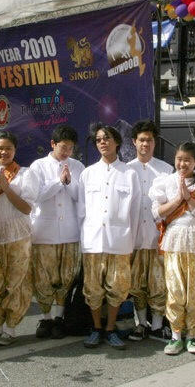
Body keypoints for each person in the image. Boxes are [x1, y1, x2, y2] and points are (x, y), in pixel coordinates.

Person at [150, 142, 195, 355]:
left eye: (187, 160)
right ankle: (175, 335)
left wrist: (189, 199)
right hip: (174, 238)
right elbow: (158, 213)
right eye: (179, 159)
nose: (182, 163)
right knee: (175, 286)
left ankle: (192, 335)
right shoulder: (165, 182)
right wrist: (178, 198)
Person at [77, 124, 141, 350]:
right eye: (99, 139)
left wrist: (130, 243)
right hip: (92, 241)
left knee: (118, 288)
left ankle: (111, 328)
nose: (103, 142)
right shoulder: (88, 173)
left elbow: (134, 211)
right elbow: (81, 211)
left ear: (117, 142)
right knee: (93, 289)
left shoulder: (129, 173)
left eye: (107, 138)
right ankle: (96, 328)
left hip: (119, 241)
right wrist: (83, 240)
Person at [0, 131, 39, 346]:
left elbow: (26, 207)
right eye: (0, 148)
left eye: (8, 148)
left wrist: (7, 188)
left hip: (18, 234)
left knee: (17, 281)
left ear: (15, 151)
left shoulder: (24, 174)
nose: (4, 152)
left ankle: (11, 328)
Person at [28, 125, 84, 339]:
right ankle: (46, 317)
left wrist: (68, 183)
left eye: (70, 148)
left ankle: (60, 317)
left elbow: (80, 195)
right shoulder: (38, 166)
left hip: (69, 231)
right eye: (63, 147)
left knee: (66, 276)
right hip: (44, 231)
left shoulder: (77, 166)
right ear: (52, 144)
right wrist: (58, 181)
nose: (67, 152)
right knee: (44, 277)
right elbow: (36, 195)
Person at [126, 120, 173, 342]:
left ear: (155, 143)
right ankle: (140, 324)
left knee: (158, 282)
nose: (146, 144)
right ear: (134, 142)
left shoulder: (166, 170)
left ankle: (157, 325)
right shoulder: (126, 170)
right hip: (133, 238)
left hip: (158, 238)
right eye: (142, 140)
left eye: (150, 140)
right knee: (136, 284)